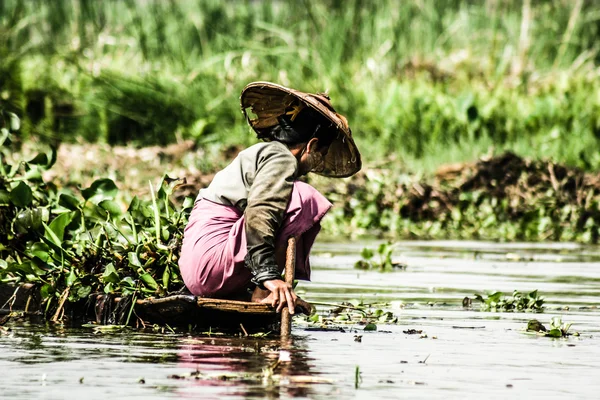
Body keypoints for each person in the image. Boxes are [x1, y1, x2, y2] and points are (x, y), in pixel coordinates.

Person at [178, 82, 361, 315]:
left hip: (199, 270)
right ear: (311, 146)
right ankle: (264, 292)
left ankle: (258, 288)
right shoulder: (280, 157)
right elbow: (261, 211)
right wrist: (269, 277)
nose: (318, 163)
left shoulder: (266, 155)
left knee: (293, 195)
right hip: (210, 265)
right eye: (321, 155)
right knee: (303, 197)